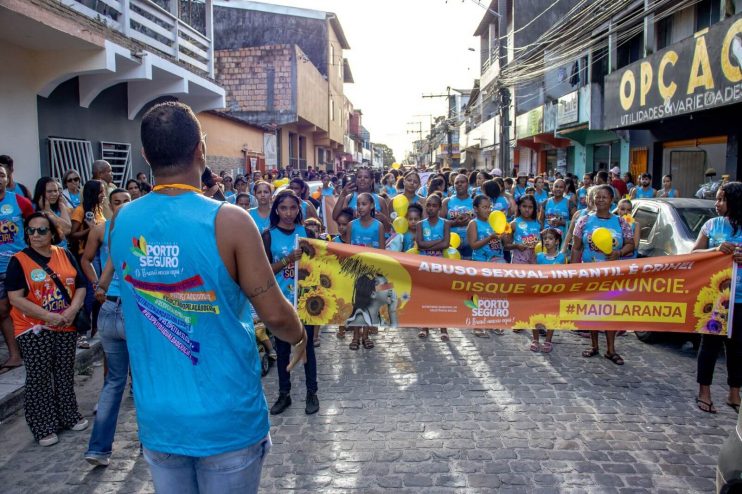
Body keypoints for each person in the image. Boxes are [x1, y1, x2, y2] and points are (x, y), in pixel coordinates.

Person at [111, 102, 305, 492]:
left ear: (147, 155)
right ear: (201, 149)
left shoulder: (121, 220)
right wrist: (299, 336)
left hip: (159, 416)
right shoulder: (230, 220)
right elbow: (275, 315)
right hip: (226, 415)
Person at [7, 211, 88, 446]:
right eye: (31, 230)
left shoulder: (64, 254)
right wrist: (48, 316)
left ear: (53, 233)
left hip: (66, 324)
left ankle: (68, 415)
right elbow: (15, 298)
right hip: (34, 327)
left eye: (42, 230)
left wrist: (71, 311)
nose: (35, 235)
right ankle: (43, 425)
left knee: (64, 373)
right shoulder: (19, 261)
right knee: (39, 377)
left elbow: (81, 285)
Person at [82, 188, 131, 465]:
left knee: (114, 382)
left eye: (127, 201)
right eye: (118, 202)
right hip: (129, 312)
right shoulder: (137, 236)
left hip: (109, 310)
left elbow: (104, 278)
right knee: (144, 380)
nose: (123, 206)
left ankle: (98, 449)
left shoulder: (115, 238)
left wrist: (100, 289)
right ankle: (151, 446)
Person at [261, 189, 318, 416]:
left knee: (307, 348)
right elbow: (264, 271)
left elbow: (320, 264)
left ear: (299, 210)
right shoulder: (268, 235)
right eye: (283, 208)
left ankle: (312, 393)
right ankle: (284, 394)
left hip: (305, 299)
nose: (288, 213)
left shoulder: (307, 233)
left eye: (293, 208)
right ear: (276, 210)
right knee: (283, 349)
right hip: (280, 300)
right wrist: (287, 260)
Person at [691, 181, 742, 414]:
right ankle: (704, 392)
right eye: (717, 198)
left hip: (740, 300)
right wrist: (715, 250)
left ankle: (734, 393)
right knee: (709, 345)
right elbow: (693, 254)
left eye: (722, 199)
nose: (717, 203)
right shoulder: (711, 225)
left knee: (737, 348)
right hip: (715, 298)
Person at [571, 185, 634, 365]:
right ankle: (594, 346)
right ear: (592, 200)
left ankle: (611, 350)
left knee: (610, 310)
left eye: (604, 197)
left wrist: (619, 253)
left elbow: (630, 243)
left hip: (612, 275)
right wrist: (574, 272)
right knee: (592, 310)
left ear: (611, 200)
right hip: (589, 274)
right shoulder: (583, 221)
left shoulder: (621, 222)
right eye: (597, 197)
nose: (600, 200)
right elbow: (576, 247)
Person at [0, 165, 34, 374]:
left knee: (23, 308)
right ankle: (14, 354)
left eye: (2, 175)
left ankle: (26, 352)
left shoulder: (19, 201)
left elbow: (37, 224)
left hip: (18, 266)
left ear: (7, 178)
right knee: (3, 311)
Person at [69, 179, 106, 349]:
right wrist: (89, 231)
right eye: (101, 192)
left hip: (100, 254)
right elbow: (72, 234)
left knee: (99, 292)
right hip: (86, 255)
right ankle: (81, 333)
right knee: (91, 293)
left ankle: (96, 329)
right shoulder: (80, 210)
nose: (103, 195)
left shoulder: (99, 210)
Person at [347, 193, 385, 351]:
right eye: (358, 204)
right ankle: (355, 336)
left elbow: (383, 252)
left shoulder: (379, 226)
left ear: (371, 206)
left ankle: (366, 335)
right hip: (356, 272)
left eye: (364, 204)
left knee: (370, 304)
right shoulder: (351, 225)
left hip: (372, 273)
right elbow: (347, 250)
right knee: (356, 304)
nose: (360, 207)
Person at [467, 195, 505, 338]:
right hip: (480, 262)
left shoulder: (494, 221)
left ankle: (493, 323)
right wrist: (490, 238)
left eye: (489, 207)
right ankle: (477, 325)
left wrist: (504, 235)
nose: (488, 210)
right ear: (476, 209)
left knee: (495, 294)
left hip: (497, 262)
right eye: (484, 207)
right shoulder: (474, 224)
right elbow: (473, 245)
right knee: (479, 294)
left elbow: (504, 243)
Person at [416, 193, 450, 341]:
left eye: (434, 205)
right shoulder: (420, 224)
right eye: (428, 205)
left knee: (440, 297)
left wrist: (429, 244)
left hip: (440, 265)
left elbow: (446, 244)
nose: (430, 208)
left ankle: (443, 328)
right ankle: (424, 326)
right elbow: (420, 244)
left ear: (440, 208)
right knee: (425, 295)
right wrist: (437, 241)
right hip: (423, 265)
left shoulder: (446, 223)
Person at [532, 228, 566, 353]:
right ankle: (535, 340)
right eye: (545, 238)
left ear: (557, 241)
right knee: (535, 315)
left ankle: (548, 340)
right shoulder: (539, 257)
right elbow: (533, 274)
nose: (547, 241)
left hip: (554, 293)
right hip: (539, 292)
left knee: (552, 316)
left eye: (550, 239)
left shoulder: (562, 258)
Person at [32, 177, 72, 249]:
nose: (54, 194)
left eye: (56, 191)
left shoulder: (60, 205)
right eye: (49, 191)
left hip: (63, 252)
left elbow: (67, 229)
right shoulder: (33, 208)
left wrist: (48, 211)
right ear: (41, 193)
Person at [442, 174, 474, 259]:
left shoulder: (475, 202)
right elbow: (439, 222)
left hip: (470, 243)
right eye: (456, 183)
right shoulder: (447, 201)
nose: (459, 184)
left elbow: (482, 221)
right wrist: (454, 223)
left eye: (462, 182)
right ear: (453, 185)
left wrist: (471, 221)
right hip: (452, 242)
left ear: (468, 184)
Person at [505, 195, 541, 265]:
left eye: (530, 207)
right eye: (524, 206)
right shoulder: (513, 224)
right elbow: (506, 246)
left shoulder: (538, 223)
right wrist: (516, 246)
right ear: (519, 207)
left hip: (535, 261)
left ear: (534, 209)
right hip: (518, 261)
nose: (527, 209)